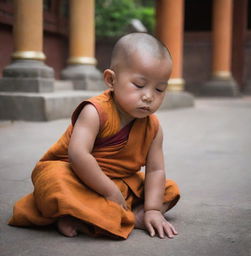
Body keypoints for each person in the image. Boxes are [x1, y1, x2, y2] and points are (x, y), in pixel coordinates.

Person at [9, 32, 180, 239]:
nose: (148, 96)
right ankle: (108, 214)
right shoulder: (95, 112)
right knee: (55, 181)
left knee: (168, 188)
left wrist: (153, 208)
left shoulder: (153, 127)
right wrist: (109, 191)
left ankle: (109, 215)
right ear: (111, 80)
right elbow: (78, 155)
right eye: (139, 85)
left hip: (119, 182)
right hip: (77, 176)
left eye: (160, 89)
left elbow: (155, 169)